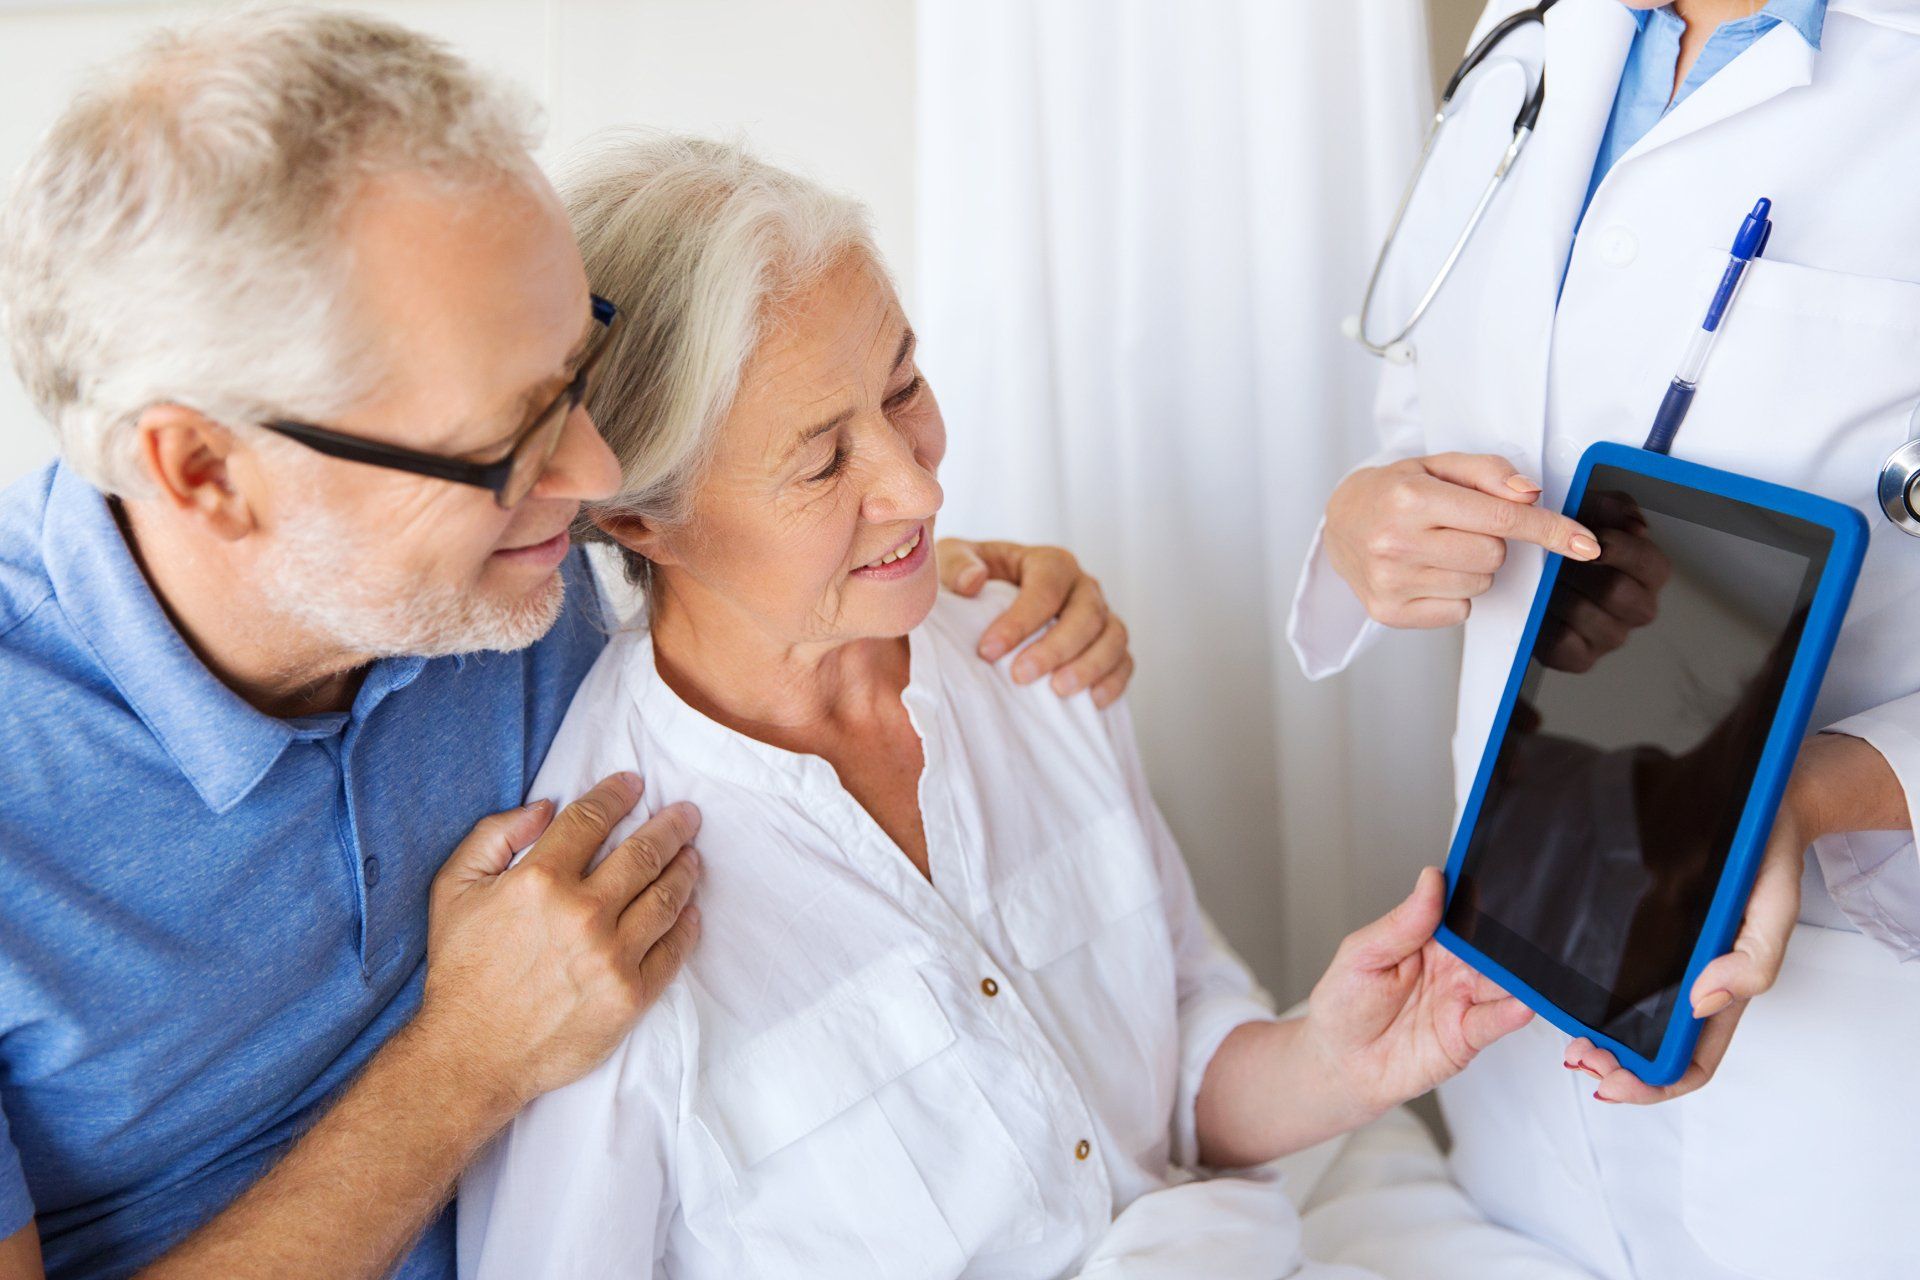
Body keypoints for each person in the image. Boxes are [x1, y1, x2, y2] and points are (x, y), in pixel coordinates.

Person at [0, 12, 1133, 1280]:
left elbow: (734, 510)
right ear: (206, 471)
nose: (594, 480)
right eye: (512, 437)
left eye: (577, 376)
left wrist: (946, 573)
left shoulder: (504, 579)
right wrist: (461, 1065)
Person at [454, 132, 1533, 1280]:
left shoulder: (1033, 655)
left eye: (904, 386)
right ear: (636, 520)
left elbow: (1175, 1063)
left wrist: (1335, 1058)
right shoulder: (596, 914)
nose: (918, 482)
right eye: (823, 461)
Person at [1292, 0, 1920, 1276]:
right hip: (1518, 980)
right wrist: (1372, 520)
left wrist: (1816, 788)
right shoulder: (1530, 36)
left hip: (1855, 1057)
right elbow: (1420, 389)